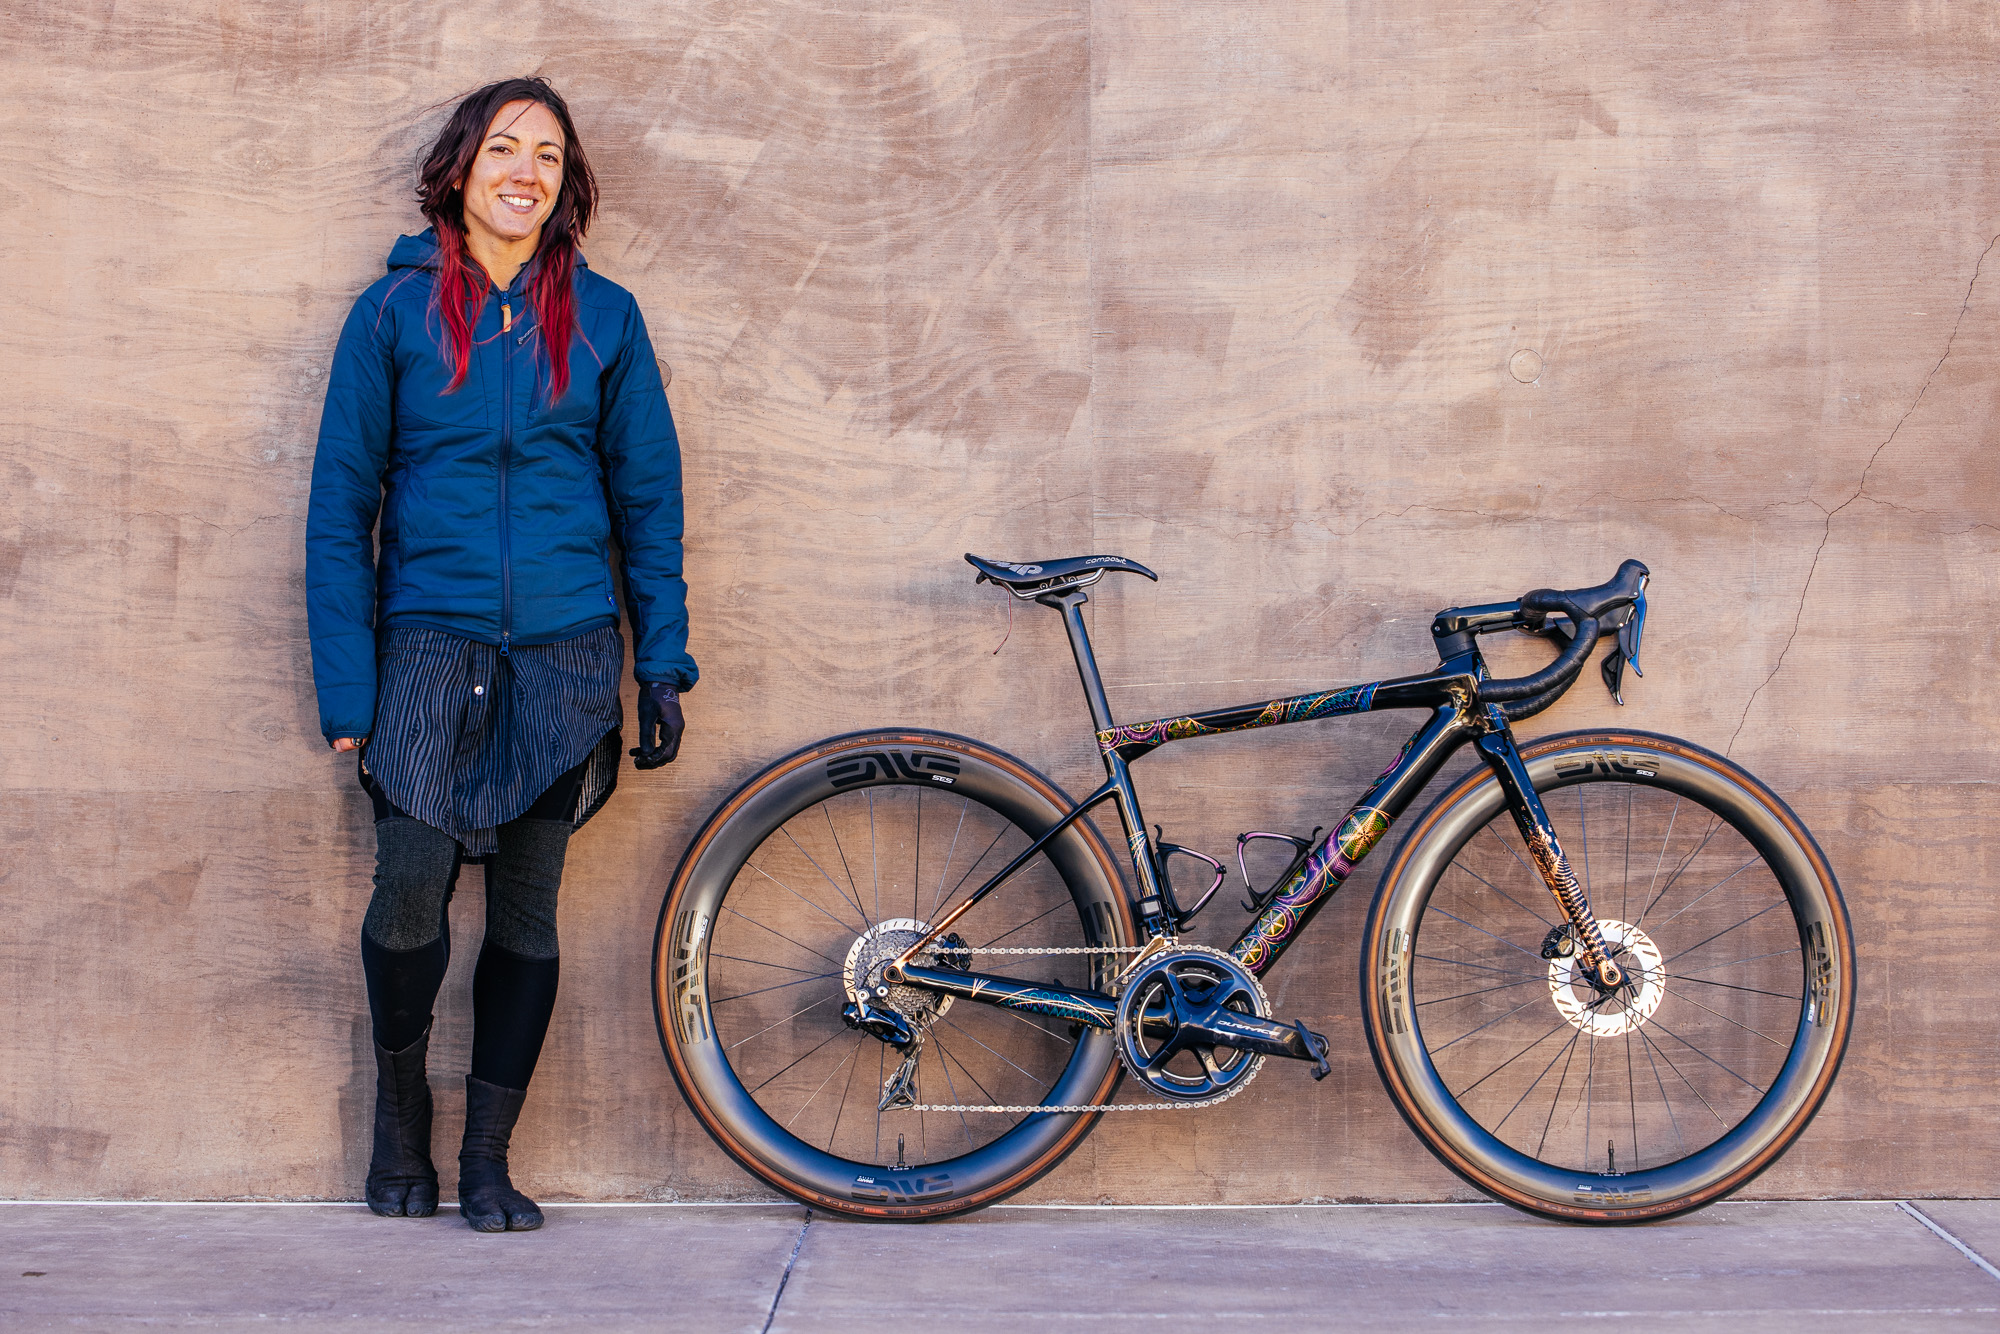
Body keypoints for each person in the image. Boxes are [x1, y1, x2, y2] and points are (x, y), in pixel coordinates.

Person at [306, 77, 696, 1233]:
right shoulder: (391, 314)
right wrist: (348, 683)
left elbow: (648, 498)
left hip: (566, 653)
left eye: (548, 153)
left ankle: (485, 1154)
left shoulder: (609, 318)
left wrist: (660, 659)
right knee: (410, 884)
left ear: (565, 182)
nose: (524, 169)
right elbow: (341, 508)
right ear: (460, 169)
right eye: (503, 149)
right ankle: (396, 1114)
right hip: (426, 643)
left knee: (529, 909)